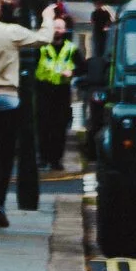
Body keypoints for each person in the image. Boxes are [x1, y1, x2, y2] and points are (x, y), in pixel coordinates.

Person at [0, 0, 58, 226]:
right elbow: (43, 39)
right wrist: (47, 18)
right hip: (8, 100)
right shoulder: (10, 31)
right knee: (5, 155)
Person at [34, 18, 80, 169]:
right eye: (55, 27)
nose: (57, 30)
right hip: (44, 90)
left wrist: (72, 72)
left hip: (62, 91)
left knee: (60, 127)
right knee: (43, 126)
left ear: (65, 30)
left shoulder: (71, 48)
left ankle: (56, 160)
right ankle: (43, 158)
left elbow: (83, 67)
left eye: (60, 28)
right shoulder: (41, 47)